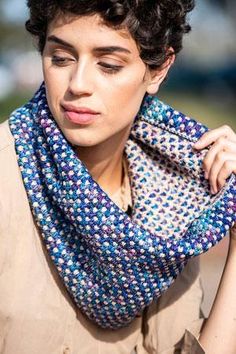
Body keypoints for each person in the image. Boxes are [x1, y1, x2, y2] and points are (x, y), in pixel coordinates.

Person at [0, 0, 236, 353]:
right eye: (61, 58)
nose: (78, 84)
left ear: (157, 71)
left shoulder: (172, 197)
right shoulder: (8, 177)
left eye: (108, 65)